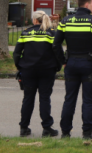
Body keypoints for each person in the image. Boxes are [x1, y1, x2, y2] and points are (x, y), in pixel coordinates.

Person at [53, 0, 92, 140]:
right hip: (89, 64)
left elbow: (56, 44)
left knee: (69, 99)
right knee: (88, 100)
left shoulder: (65, 21)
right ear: (86, 5)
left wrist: (63, 60)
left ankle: (65, 133)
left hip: (71, 64)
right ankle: (87, 134)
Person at [13, 10, 62, 138]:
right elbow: (58, 52)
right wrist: (57, 66)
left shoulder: (26, 32)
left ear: (35, 20)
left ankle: (24, 128)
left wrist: (20, 66)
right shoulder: (51, 33)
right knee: (45, 98)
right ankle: (47, 128)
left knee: (28, 98)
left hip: (28, 70)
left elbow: (17, 53)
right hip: (47, 70)